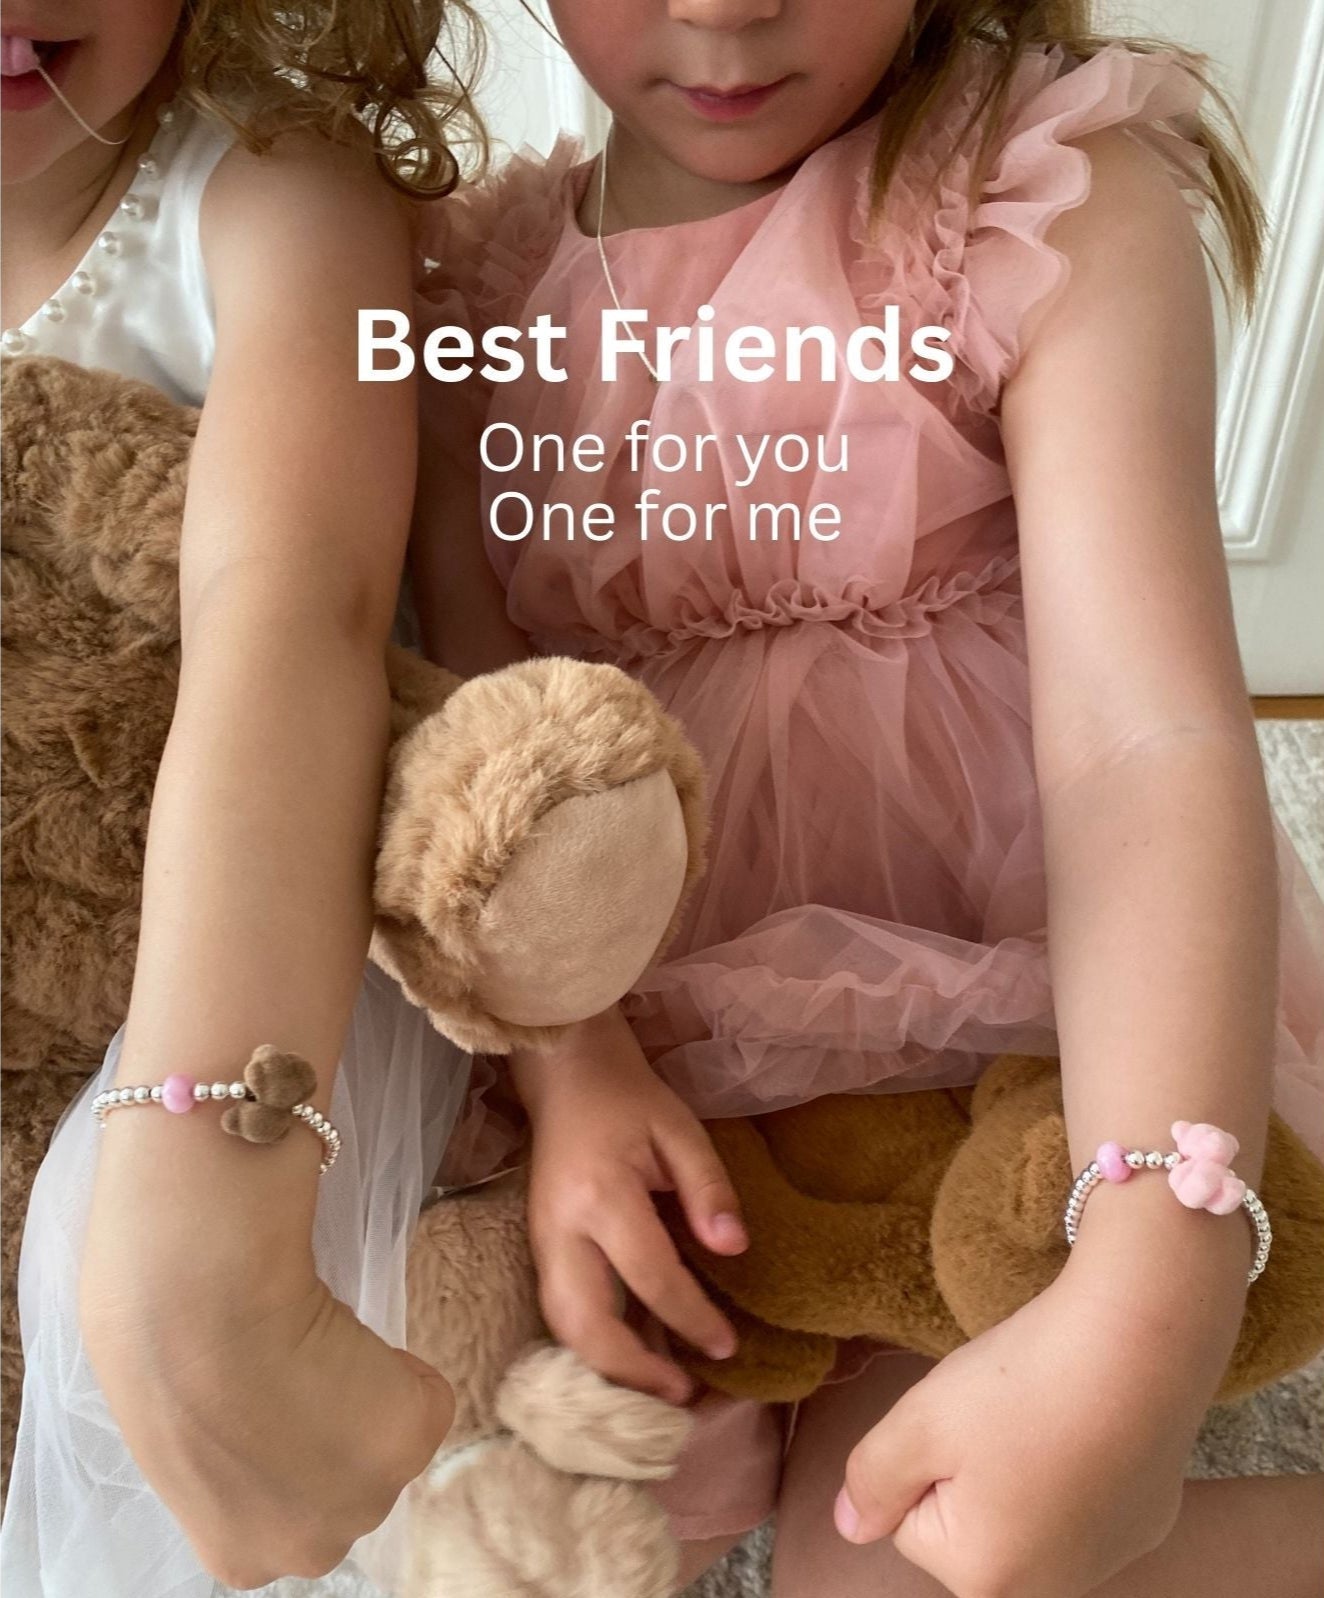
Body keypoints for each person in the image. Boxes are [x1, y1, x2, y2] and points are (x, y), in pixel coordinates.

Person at [409, 3, 1324, 1595]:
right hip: (644, 1057)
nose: (722, 6)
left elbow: (1145, 745)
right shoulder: (468, 288)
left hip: (984, 1035)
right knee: (582, 1545)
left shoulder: (1031, 195)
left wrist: (1149, 1284)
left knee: (901, 1565)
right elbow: (486, 758)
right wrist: (570, 1074)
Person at [0, 4, 484, 1593]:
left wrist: (203, 1187)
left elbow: (301, 617)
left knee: (109, 1288)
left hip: (233, 938)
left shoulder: (278, 204)